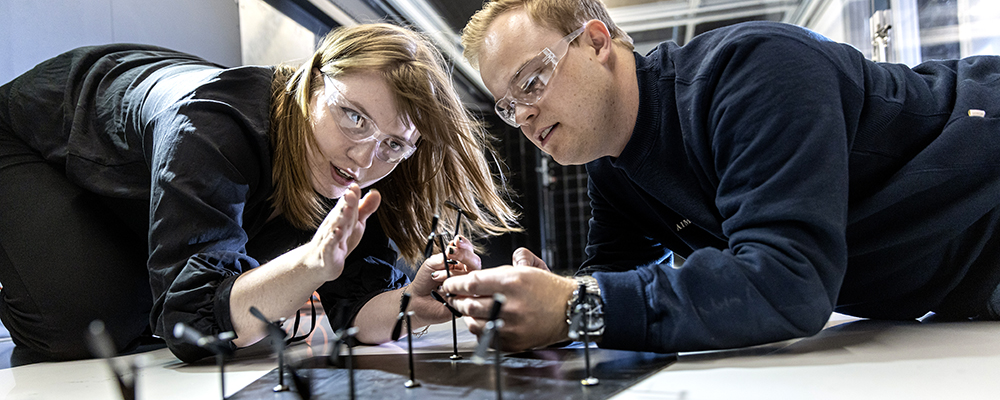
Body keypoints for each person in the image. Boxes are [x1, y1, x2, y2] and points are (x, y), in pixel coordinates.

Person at [442, 0, 1000, 354]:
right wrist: (545, 297)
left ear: (596, 41)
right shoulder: (613, 169)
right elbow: (614, 276)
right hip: (955, 289)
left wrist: (572, 308)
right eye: (509, 107)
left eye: (532, 82)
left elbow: (790, 282)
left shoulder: (753, 70)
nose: (525, 117)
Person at [0, 23, 520, 363]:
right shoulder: (211, 129)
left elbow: (354, 304)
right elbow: (193, 326)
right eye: (353, 117)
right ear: (313, 83)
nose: (364, 158)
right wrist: (309, 266)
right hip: (29, 137)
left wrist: (418, 303)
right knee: (93, 328)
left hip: (135, 180)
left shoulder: (365, 167)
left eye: (393, 144)